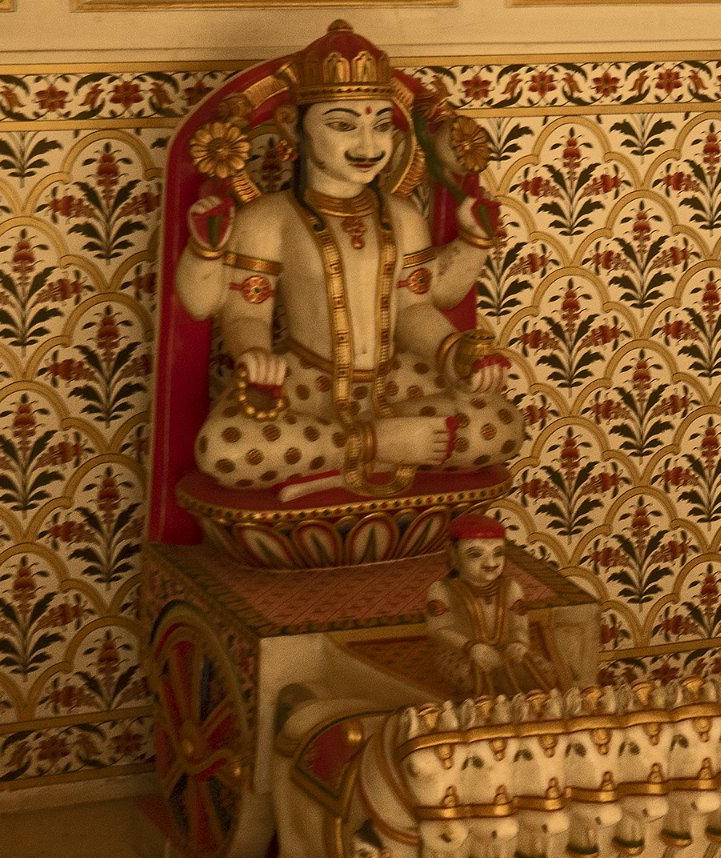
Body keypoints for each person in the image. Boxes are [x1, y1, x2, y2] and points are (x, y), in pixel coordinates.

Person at [174, 21, 520, 501]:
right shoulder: (269, 218)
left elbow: (415, 310)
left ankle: (345, 454)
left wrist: (453, 352)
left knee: (499, 425)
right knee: (224, 449)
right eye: (342, 125)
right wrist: (254, 354)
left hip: (394, 381)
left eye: (381, 125)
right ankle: (381, 445)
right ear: (294, 127)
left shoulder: (402, 216)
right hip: (305, 384)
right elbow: (245, 312)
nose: (367, 145)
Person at [426, 513, 557, 696]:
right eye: (475, 554)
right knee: (473, 678)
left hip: (505, 649)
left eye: (498, 553)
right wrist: (471, 647)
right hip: (460, 652)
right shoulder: (442, 590)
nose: (490, 563)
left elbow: (519, 625)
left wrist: (519, 643)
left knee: (543, 672)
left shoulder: (511, 588)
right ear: (454, 554)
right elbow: (439, 629)